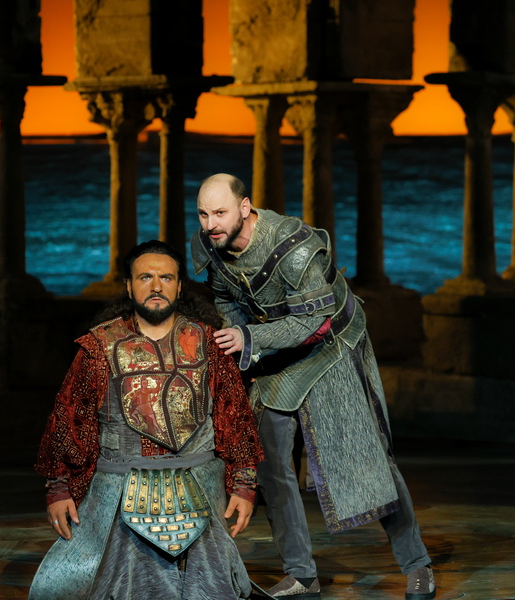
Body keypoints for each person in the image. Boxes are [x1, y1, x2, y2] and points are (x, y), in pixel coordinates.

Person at [190, 173, 436, 600]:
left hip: (330, 345)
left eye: (220, 213)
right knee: (269, 458)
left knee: (366, 457)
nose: (211, 224)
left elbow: (314, 322)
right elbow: (226, 298)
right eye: (203, 214)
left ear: (245, 208)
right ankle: (301, 574)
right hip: (277, 350)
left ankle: (418, 564)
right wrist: (238, 338)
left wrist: (250, 339)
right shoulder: (212, 246)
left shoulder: (293, 244)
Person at [29, 240, 269, 600]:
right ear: (129, 286)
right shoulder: (99, 347)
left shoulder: (210, 344)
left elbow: (234, 418)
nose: (156, 286)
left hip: (198, 486)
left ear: (179, 286)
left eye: (166, 278)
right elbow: (71, 418)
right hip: (119, 488)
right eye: (145, 277)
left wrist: (244, 484)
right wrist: (59, 488)